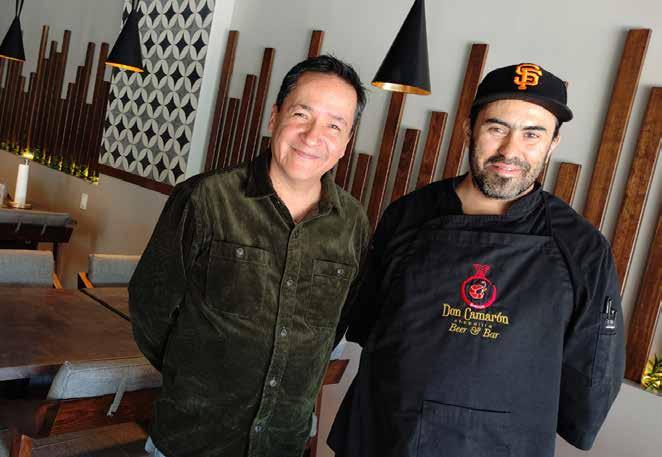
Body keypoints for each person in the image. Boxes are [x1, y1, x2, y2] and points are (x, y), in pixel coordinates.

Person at [328, 63, 625, 457]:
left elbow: (592, 369)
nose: (510, 151)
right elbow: (368, 323)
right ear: (469, 128)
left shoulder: (582, 248)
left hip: (502, 445)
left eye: (532, 134)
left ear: (553, 142)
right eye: (496, 128)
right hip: (386, 432)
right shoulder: (408, 215)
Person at [129, 54, 371, 457]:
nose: (313, 136)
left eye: (334, 125)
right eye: (301, 114)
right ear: (274, 118)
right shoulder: (205, 199)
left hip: (283, 441)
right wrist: (194, 378)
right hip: (193, 439)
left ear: (346, 143)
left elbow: (335, 325)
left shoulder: (353, 223)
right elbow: (150, 309)